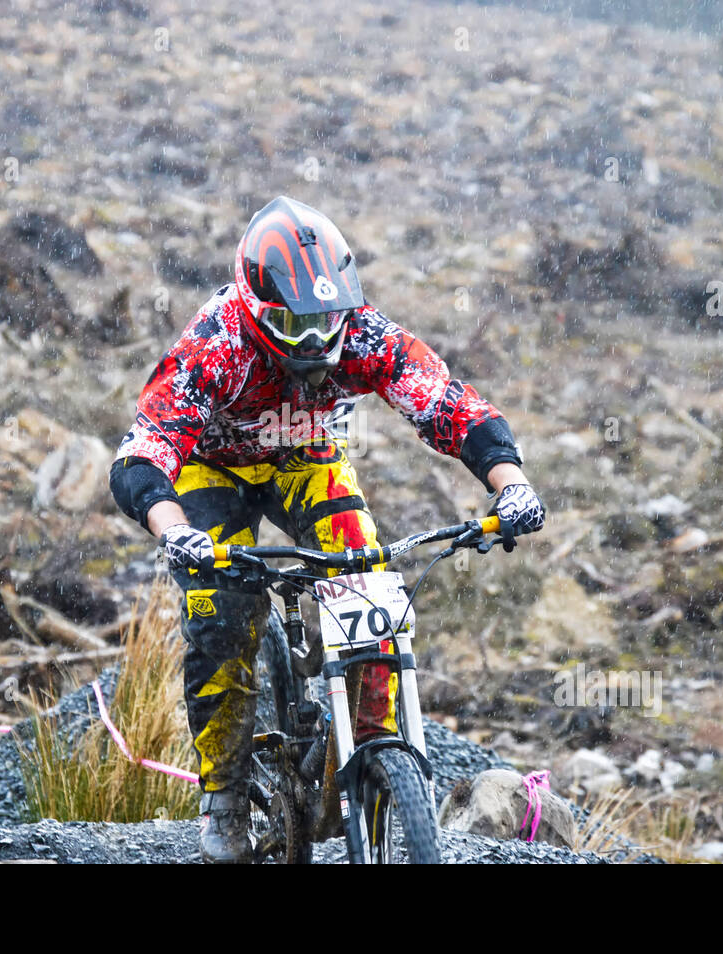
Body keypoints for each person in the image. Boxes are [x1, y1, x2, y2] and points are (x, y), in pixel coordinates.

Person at [108, 196, 545, 863]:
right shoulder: (215, 343)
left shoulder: (361, 332)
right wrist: (174, 530)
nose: (314, 341)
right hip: (209, 471)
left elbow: (447, 403)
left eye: (325, 322)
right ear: (257, 310)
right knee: (220, 619)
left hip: (306, 458)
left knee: (371, 589)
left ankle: (370, 752)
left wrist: (510, 484)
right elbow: (144, 453)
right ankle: (224, 793)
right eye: (293, 323)